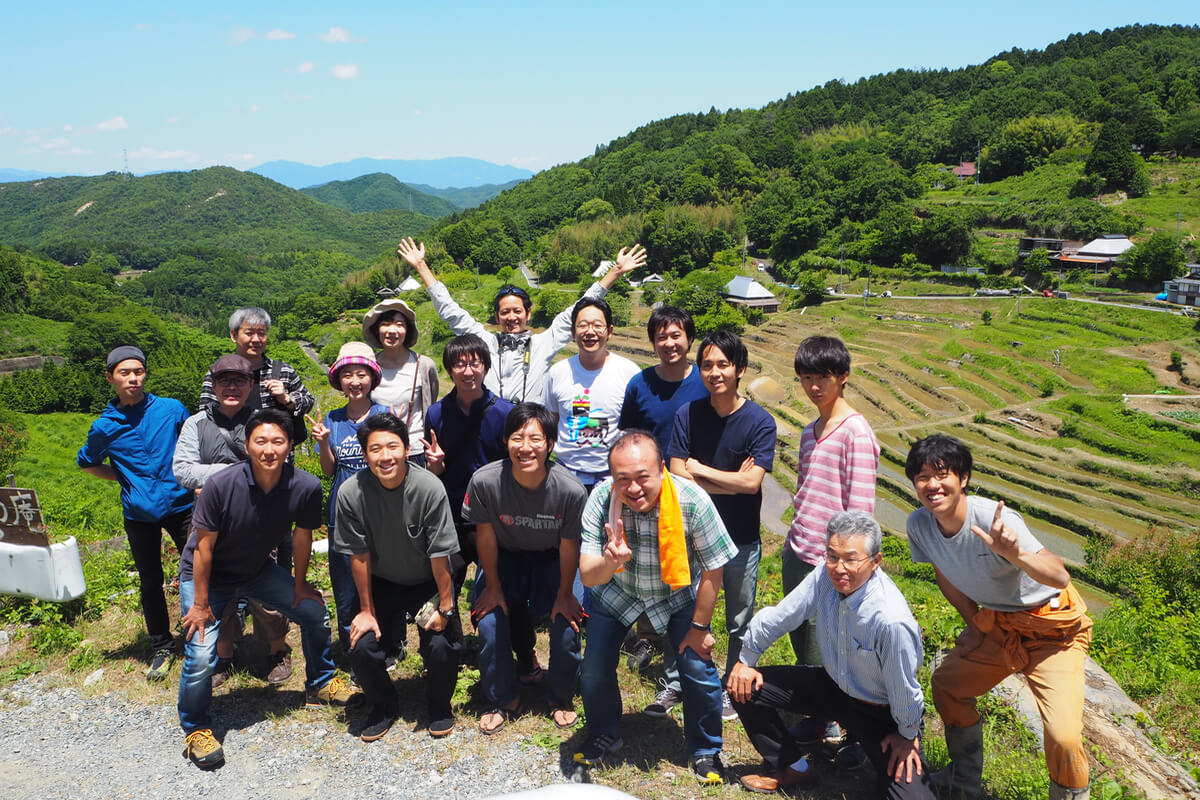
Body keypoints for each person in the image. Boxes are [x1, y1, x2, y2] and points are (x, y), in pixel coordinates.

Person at [905, 435, 1091, 800]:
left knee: (1065, 738)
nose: (932, 485)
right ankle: (964, 783)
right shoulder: (920, 525)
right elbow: (945, 574)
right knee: (948, 685)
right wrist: (974, 625)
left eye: (942, 475)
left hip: (1052, 631)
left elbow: (1059, 576)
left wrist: (1015, 553)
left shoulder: (994, 518)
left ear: (964, 479)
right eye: (922, 477)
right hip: (1000, 626)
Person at [177, 408, 354, 769]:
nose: (269, 449)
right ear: (247, 446)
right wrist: (198, 604)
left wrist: (301, 584)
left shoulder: (304, 485)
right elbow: (203, 547)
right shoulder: (221, 485)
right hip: (206, 578)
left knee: (314, 612)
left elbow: (303, 537)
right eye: (261, 441)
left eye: (278, 441)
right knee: (199, 656)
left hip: (256, 571)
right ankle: (196, 728)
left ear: (290, 445)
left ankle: (321, 681)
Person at [728, 510, 934, 799]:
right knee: (744, 685)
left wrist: (907, 735)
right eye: (832, 556)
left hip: (880, 712)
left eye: (851, 559)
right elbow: (783, 616)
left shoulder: (889, 619)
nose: (839, 568)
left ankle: (874, 753)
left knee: (914, 797)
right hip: (834, 688)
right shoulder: (824, 576)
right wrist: (745, 660)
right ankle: (792, 767)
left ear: (875, 562)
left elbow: (903, 688)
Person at [575, 430, 736, 785]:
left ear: (662, 469)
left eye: (642, 477)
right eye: (623, 480)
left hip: (674, 594)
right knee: (594, 669)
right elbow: (588, 576)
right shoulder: (601, 500)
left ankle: (706, 749)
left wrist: (700, 628)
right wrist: (610, 561)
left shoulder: (692, 500)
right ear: (611, 478)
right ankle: (604, 731)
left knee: (697, 668)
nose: (633, 488)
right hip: (617, 591)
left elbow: (713, 567)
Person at [333, 413, 462, 742]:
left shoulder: (429, 487)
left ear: (406, 449)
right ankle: (382, 705)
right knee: (360, 645)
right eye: (375, 449)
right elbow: (357, 556)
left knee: (444, 644)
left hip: (426, 580)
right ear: (365, 455)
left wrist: (446, 605)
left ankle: (438, 704)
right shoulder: (351, 492)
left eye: (393, 446)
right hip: (381, 582)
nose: (385, 456)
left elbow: (440, 553)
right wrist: (365, 609)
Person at [669, 330, 777, 722]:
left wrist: (700, 469)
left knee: (738, 618)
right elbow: (677, 474)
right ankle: (679, 681)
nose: (714, 372)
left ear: (740, 370)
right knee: (685, 610)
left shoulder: (760, 422)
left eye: (723, 365)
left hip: (740, 539)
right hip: (693, 537)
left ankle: (733, 686)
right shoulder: (689, 414)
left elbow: (752, 484)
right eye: (707, 365)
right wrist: (722, 478)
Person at [397, 237, 646, 403]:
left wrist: (616, 272)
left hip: (531, 431)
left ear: (528, 314)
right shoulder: (486, 342)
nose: (512, 317)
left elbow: (579, 308)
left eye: (518, 311)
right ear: (496, 317)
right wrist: (422, 267)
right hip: (490, 426)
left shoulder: (543, 343)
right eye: (505, 312)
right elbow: (451, 311)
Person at [465, 403, 588, 734]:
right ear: (505, 440)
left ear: (550, 443)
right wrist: (492, 586)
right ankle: (501, 698)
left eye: (535, 438)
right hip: (503, 557)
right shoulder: (485, 481)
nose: (525, 447)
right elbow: (485, 538)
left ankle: (560, 696)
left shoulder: (570, 490)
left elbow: (569, 546)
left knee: (567, 625)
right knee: (490, 625)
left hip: (552, 559)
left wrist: (564, 595)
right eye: (517, 438)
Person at [173, 354, 291, 688]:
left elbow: (278, 463)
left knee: (266, 594)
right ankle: (224, 655)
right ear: (213, 384)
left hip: (258, 521)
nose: (232, 387)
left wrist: (211, 478)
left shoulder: (264, 421)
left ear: (251, 385)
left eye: (239, 380)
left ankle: (277, 651)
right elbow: (182, 469)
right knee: (214, 588)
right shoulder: (195, 424)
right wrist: (234, 472)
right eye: (224, 380)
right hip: (211, 522)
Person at [77, 346, 193, 682]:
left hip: (181, 504)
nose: (133, 378)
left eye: (138, 372)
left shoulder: (171, 409)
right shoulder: (104, 426)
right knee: (150, 580)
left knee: (200, 569)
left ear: (145, 374)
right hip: (139, 513)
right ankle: (162, 645)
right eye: (125, 372)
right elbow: (87, 463)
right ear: (110, 377)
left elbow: (192, 446)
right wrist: (124, 477)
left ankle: (203, 637)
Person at [786, 335, 879, 748]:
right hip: (798, 549)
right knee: (802, 640)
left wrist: (846, 563)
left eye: (823, 376)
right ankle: (821, 716)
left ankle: (823, 722)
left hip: (828, 562)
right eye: (806, 377)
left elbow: (860, 512)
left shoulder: (855, 432)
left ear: (843, 377)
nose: (814, 386)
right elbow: (806, 489)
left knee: (820, 650)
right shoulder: (810, 432)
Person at [617, 306, 708, 678]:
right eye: (661, 336)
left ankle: (688, 653)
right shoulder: (640, 384)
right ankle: (647, 639)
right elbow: (629, 436)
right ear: (652, 341)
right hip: (647, 494)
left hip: (693, 493)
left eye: (676, 335)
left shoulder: (707, 380)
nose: (669, 343)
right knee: (650, 569)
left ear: (689, 338)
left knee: (689, 580)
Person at [309, 342, 389, 662]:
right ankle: (354, 651)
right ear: (339, 381)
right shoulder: (332, 418)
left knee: (381, 583)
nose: (355, 381)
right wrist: (325, 442)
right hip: (342, 514)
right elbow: (329, 471)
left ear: (372, 378)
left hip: (381, 513)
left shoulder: (384, 414)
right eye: (347, 375)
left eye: (361, 374)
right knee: (345, 587)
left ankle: (385, 643)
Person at [422, 334, 515, 598]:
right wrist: (435, 464)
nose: (468, 371)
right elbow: (435, 474)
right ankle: (449, 636)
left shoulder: (506, 413)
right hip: (452, 515)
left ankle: (500, 633)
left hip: (494, 514)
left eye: (475, 363)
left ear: (486, 366)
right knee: (446, 586)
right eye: (459, 365)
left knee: (497, 585)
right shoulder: (437, 413)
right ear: (449, 370)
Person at [543, 297, 640, 492]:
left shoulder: (630, 372)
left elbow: (638, 426)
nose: (590, 332)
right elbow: (551, 420)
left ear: (610, 331)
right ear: (572, 332)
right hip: (566, 475)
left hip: (613, 476)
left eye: (597, 325)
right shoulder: (557, 372)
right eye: (583, 325)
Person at [199, 307, 314, 439]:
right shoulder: (218, 374)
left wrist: (287, 399)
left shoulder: (283, 371)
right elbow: (206, 415)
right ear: (234, 335)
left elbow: (309, 401)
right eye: (249, 333)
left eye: (261, 333)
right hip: (230, 455)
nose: (256, 339)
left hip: (276, 454)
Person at [361, 298, 439, 466]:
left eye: (399, 324)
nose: (392, 330)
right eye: (386, 324)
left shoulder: (424, 365)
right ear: (377, 329)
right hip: (379, 451)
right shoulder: (368, 366)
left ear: (407, 330)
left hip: (415, 450)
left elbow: (430, 404)